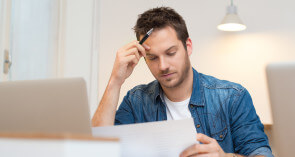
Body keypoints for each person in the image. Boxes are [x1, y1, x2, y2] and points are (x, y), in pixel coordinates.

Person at [92, 7, 273, 157]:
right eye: (153, 58)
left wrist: (225, 156)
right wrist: (116, 80)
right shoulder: (136, 101)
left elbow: (261, 154)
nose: (163, 66)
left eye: (171, 53)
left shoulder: (232, 97)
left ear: (188, 46)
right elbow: (96, 150)